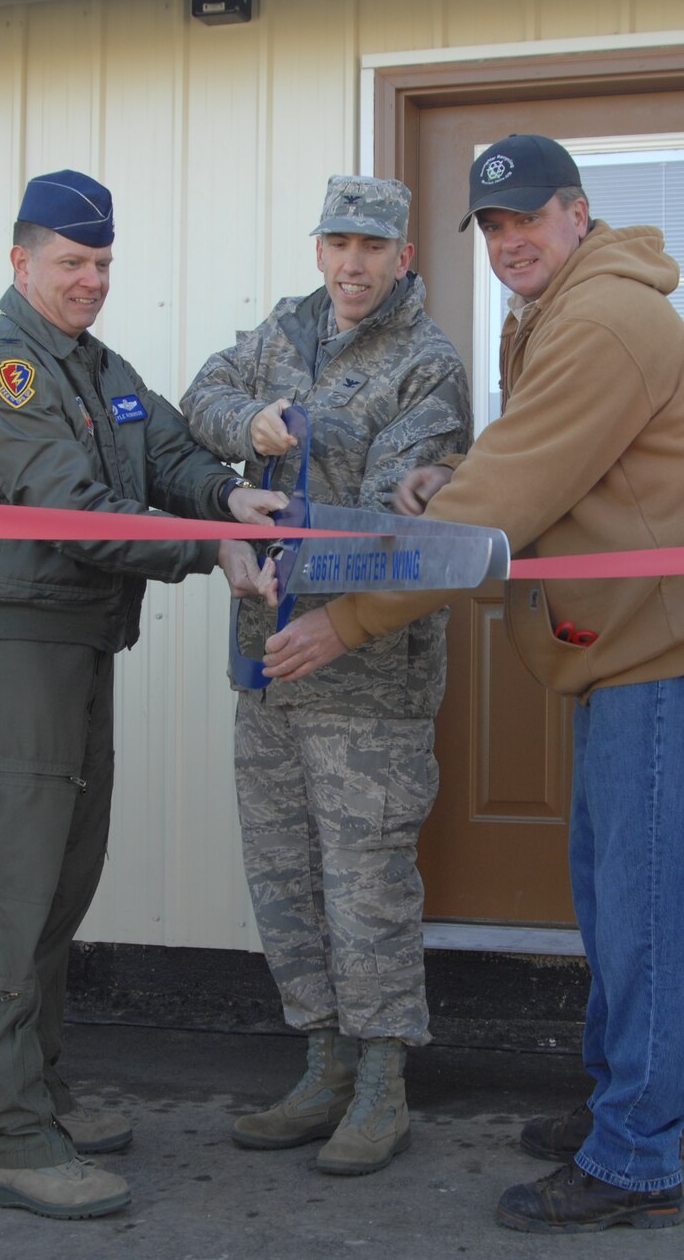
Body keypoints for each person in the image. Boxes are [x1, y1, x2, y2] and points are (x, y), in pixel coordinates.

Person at [260, 135, 684, 1232]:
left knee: (643, 908)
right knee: (610, 888)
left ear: (576, 214)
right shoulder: (566, 306)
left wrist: (344, 620)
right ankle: (613, 1102)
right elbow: (534, 463)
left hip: (659, 649)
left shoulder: (598, 319)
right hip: (628, 646)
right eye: (490, 227)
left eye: (526, 219)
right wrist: (463, 472)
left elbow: (493, 510)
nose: (507, 243)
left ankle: (635, 1155)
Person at [0, 169, 286, 1221]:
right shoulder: (6, 374)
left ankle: (37, 1088)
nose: (90, 281)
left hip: (78, 646)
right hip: (13, 653)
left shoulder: (94, 368)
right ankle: (6, 1131)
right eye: (70, 264)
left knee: (55, 882)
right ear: (19, 263)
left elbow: (166, 451)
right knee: (9, 890)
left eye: (101, 264)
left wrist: (225, 493)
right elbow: (79, 510)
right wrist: (211, 548)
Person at [180, 174, 471, 1175]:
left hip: (365, 678)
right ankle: (322, 1063)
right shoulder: (278, 334)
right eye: (337, 242)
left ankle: (382, 1080)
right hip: (265, 663)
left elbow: (400, 526)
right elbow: (198, 400)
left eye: (371, 246)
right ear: (317, 249)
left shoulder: (427, 366)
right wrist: (248, 424)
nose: (351, 263)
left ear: (401, 257)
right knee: (284, 877)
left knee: (366, 885)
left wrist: (331, 616)